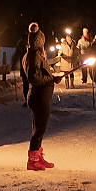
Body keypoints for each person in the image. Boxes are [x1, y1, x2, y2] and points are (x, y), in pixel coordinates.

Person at [21, 27, 58, 170]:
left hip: (40, 97)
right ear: (40, 42)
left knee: (39, 128)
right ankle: (33, 160)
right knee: (40, 129)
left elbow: (40, 73)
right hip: (38, 97)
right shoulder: (33, 56)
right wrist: (49, 79)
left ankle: (38, 156)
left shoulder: (36, 55)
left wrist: (52, 78)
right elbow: (33, 77)